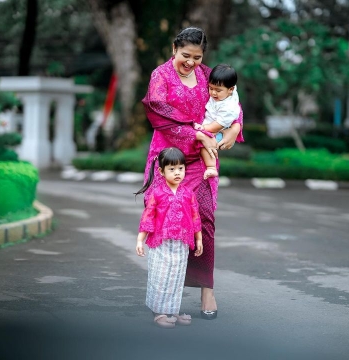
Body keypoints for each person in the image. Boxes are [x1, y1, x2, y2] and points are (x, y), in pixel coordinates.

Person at [141, 27, 244, 321]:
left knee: (205, 219)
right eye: (186, 55)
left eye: (197, 58)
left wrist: (235, 128)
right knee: (166, 222)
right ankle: (164, 296)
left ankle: (206, 289)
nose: (191, 62)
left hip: (201, 160)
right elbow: (158, 114)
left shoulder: (208, 75)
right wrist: (196, 135)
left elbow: (231, 102)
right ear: (174, 49)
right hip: (169, 158)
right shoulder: (160, 77)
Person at [135, 147, 203, 328]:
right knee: (160, 276)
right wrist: (140, 240)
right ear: (161, 171)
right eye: (172, 169)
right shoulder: (157, 193)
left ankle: (173, 309)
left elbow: (195, 216)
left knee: (177, 276)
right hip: (161, 243)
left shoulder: (188, 194)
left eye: (180, 168)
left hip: (181, 243)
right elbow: (148, 216)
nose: (177, 172)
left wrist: (198, 239)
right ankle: (159, 312)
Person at [194, 64, 241, 179]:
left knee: (205, 145)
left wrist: (204, 128)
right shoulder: (225, 92)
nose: (213, 93)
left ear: (231, 90)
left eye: (218, 90)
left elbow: (218, 124)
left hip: (219, 131)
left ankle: (211, 167)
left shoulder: (229, 107)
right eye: (211, 88)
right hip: (212, 124)